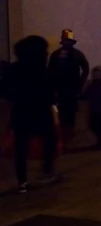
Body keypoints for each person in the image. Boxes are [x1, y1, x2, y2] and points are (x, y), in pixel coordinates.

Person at [2, 36, 58, 193]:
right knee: (49, 139)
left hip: (22, 111)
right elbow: (50, 90)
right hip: (40, 111)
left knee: (21, 145)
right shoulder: (41, 70)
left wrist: (16, 98)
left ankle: (23, 182)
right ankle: (46, 171)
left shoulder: (15, 69)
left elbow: (4, 88)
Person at [48, 29, 89, 142]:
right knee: (60, 110)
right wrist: (52, 86)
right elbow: (50, 70)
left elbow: (85, 68)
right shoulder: (56, 55)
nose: (67, 43)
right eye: (66, 41)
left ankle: (69, 131)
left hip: (72, 87)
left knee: (71, 110)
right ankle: (61, 131)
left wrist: (80, 83)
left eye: (69, 41)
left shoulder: (77, 54)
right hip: (59, 88)